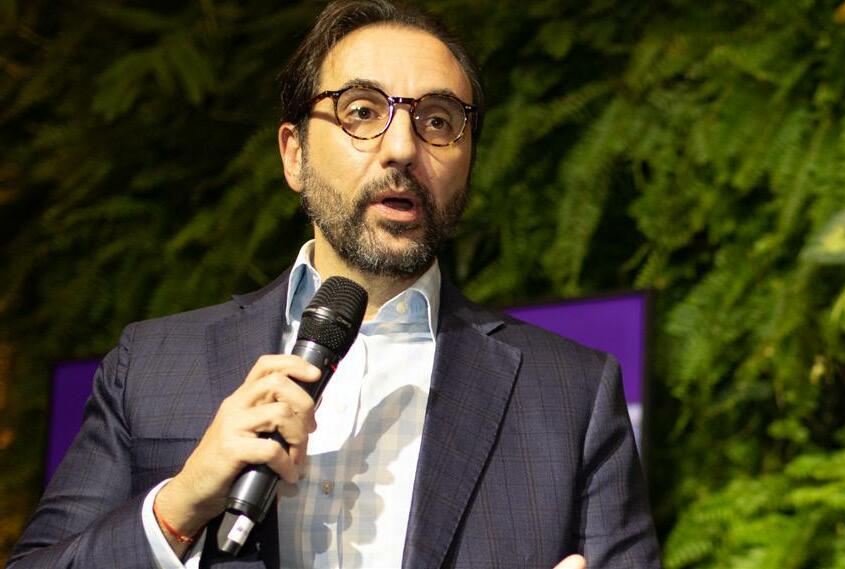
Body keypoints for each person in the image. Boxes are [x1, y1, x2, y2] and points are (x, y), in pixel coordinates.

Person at [8, 1, 659, 568]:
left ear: (468, 163)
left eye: (438, 121)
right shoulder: (152, 365)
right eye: (362, 111)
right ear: (293, 154)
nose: (401, 147)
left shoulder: (569, 394)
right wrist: (177, 508)